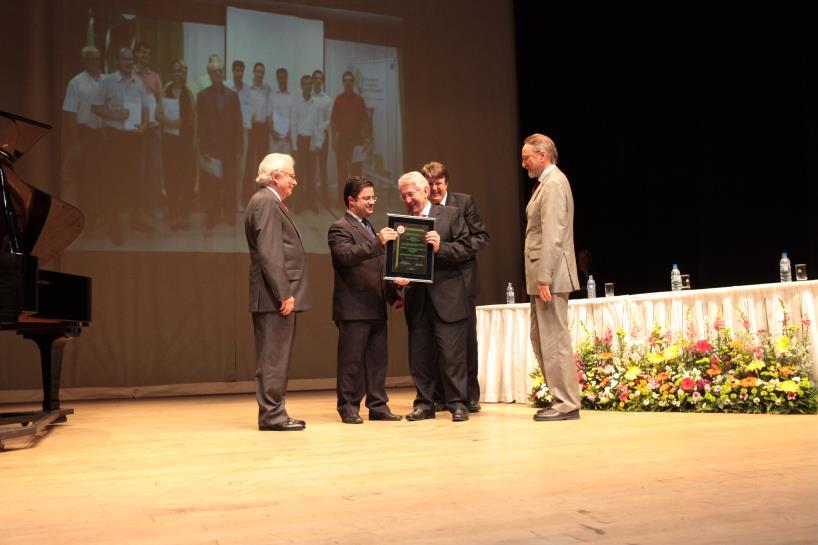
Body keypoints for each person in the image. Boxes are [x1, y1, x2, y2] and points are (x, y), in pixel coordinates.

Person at [396, 172, 473, 422]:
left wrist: (442, 247)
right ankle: (424, 404)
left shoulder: (450, 215)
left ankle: (457, 404)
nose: (408, 199)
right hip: (418, 299)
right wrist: (399, 276)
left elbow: (466, 248)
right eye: (404, 195)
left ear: (425, 191)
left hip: (448, 297)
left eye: (411, 193)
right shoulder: (402, 224)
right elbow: (401, 261)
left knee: (452, 356)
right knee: (420, 355)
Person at [328, 177, 403, 424]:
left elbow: (378, 267)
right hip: (353, 307)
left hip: (375, 304)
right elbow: (346, 256)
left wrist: (392, 294)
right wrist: (377, 242)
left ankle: (378, 405)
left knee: (377, 360)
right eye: (366, 198)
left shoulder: (370, 227)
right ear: (351, 200)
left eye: (373, 197)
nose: (372, 202)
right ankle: (348, 407)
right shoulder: (339, 227)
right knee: (352, 362)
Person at [244, 153, 310, 431]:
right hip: (274, 297)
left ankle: (276, 412)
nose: (295, 181)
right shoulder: (266, 203)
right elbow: (270, 252)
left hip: (275, 295)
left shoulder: (269, 202)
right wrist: (284, 293)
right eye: (291, 175)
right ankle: (272, 415)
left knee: (277, 356)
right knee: (273, 357)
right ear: (275, 177)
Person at [521, 133, 581, 421]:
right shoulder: (545, 184)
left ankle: (568, 403)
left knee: (554, 339)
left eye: (526, 157)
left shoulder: (555, 183)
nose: (524, 164)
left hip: (552, 276)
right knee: (541, 338)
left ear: (542, 155)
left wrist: (544, 277)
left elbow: (554, 234)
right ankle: (560, 397)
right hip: (542, 275)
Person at [422, 161, 490, 413]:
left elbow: (481, 237)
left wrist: (452, 251)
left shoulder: (463, 202)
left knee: (465, 343)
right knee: (437, 344)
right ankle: (442, 395)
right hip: (434, 284)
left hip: (462, 282)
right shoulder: (422, 208)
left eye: (438, 184)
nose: (434, 189)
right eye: (429, 185)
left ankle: (469, 396)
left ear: (446, 182)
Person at [91, 47, 148, 245]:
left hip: (133, 138)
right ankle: (113, 226)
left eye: (131, 59)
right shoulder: (107, 81)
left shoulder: (138, 82)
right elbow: (95, 107)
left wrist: (145, 125)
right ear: (117, 61)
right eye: (124, 58)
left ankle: (135, 221)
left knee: (134, 181)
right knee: (113, 183)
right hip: (113, 138)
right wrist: (114, 115)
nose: (128, 62)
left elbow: (145, 108)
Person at [197, 58, 242, 230]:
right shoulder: (202, 96)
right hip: (211, 148)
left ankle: (229, 214)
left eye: (220, 71)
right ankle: (213, 215)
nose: (218, 73)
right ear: (209, 74)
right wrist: (203, 149)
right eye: (214, 71)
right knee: (212, 184)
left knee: (230, 182)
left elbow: (238, 123)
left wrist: (239, 148)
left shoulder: (232, 95)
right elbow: (200, 124)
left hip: (229, 148)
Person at [62, 45, 102, 219]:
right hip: (85, 133)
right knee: (85, 177)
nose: (93, 61)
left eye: (96, 58)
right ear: (84, 61)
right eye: (89, 58)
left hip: (104, 135)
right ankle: (86, 217)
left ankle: (99, 213)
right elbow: (69, 113)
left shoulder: (107, 80)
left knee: (101, 175)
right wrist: (75, 141)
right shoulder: (76, 82)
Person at [158, 59, 196, 230]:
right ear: (170, 73)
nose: (177, 74)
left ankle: (184, 215)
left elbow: (194, 117)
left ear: (183, 73)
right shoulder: (165, 91)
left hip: (186, 143)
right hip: (170, 143)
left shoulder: (188, 92)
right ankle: (173, 214)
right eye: (174, 71)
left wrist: (195, 140)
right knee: (171, 178)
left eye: (180, 71)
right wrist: (169, 122)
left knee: (186, 179)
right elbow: (157, 114)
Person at [133, 41, 163, 229]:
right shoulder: (130, 75)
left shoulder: (155, 77)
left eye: (148, 53)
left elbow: (160, 102)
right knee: (137, 171)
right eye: (143, 53)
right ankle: (136, 209)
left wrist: (157, 120)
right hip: (133, 129)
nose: (145, 56)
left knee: (154, 170)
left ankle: (152, 207)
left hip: (152, 130)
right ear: (136, 54)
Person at [330, 71, 370, 200]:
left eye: (350, 80)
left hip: (356, 141)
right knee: (341, 171)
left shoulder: (359, 99)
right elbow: (333, 121)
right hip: (342, 140)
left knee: (356, 172)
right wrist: (334, 139)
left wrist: (365, 139)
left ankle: (355, 198)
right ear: (343, 83)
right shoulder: (338, 99)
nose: (348, 82)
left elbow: (365, 121)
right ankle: (342, 198)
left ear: (353, 83)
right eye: (345, 80)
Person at [290, 74, 319, 211]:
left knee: (311, 174)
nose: (308, 86)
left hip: (312, 141)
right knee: (300, 174)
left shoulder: (315, 104)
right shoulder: (297, 103)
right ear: (302, 86)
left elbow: (318, 125)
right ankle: (298, 203)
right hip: (301, 141)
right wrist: (295, 145)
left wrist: (318, 143)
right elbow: (293, 124)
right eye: (306, 84)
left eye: (310, 84)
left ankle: (311, 203)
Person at [244, 63, 271, 204]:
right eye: (258, 72)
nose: (259, 74)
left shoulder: (267, 89)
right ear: (254, 73)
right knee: (249, 163)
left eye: (262, 72)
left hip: (264, 128)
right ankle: (247, 196)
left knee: (263, 163)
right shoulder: (248, 90)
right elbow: (246, 110)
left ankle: (262, 195)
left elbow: (269, 110)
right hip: (252, 128)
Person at [228, 60, 252, 211]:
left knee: (241, 170)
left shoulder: (247, 90)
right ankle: (227, 202)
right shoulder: (227, 88)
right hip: (228, 133)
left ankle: (237, 201)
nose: (238, 73)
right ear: (232, 71)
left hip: (242, 133)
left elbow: (249, 112)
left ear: (243, 72)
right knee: (228, 169)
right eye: (236, 70)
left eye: (241, 70)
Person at [311, 70, 332, 207]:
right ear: (313, 80)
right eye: (316, 78)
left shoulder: (327, 99)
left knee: (323, 168)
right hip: (310, 137)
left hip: (323, 136)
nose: (318, 81)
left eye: (320, 79)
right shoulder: (308, 97)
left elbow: (328, 120)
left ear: (322, 81)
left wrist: (319, 131)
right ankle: (310, 197)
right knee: (311, 168)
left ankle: (324, 198)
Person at [267, 67, 292, 154]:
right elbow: (269, 115)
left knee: (286, 165)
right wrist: (272, 132)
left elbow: (294, 117)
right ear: (277, 79)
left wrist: (291, 132)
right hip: (275, 138)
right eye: (280, 78)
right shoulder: (272, 96)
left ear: (287, 78)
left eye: (284, 77)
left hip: (287, 138)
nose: (282, 80)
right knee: (274, 165)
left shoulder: (292, 96)